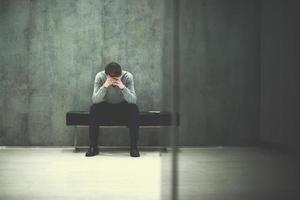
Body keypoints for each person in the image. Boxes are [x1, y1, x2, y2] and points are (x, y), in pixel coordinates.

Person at [86, 62, 140, 157]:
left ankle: (134, 147)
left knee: (134, 109)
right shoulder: (100, 76)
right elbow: (95, 100)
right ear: (107, 75)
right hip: (106, 106)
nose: (114, 80)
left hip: (123, 107)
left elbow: (133, 100)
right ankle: (93, 147)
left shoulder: (128, 77)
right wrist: (105, 85)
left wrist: (123, 87)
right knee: (93, 109)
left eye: (116, 78)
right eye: (112, 78)